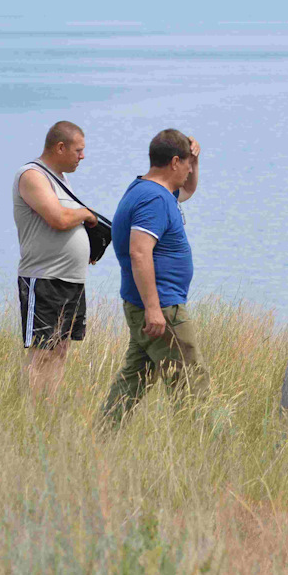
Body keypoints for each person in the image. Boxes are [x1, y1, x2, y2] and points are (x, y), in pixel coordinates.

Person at [102, 129, 209, 425]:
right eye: (187, 163)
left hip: (146, 305)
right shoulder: (154, 200)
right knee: (191, 383)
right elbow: (139, 252)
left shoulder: (147, 189)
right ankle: (204, 449)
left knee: (133, 382)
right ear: (174, 162)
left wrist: (197, 161)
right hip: (162, 308)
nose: (190, 170)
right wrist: (153, 308)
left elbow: (188, 190)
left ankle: (99, 436)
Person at [13, 120, 98, 402]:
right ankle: (32, 412)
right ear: (60, 147)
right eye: (78, 150)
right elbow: (59, 218)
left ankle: (49, 407)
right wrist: (85, 214)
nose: (82, 156)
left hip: (71, 279)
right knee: (42, 351)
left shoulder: (60, 178)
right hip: (44, 278)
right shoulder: (32, 175)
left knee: (60, 350)